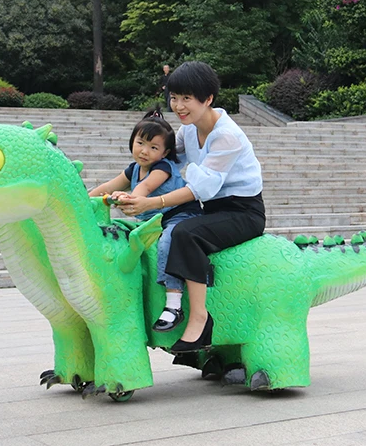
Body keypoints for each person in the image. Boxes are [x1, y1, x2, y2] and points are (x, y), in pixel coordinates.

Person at [118, 61, 265, 352]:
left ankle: (199, 318)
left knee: (185, 233)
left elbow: (200, 188)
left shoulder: (227, 136)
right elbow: (162, 162)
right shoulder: (187, 131)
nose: (179, 106)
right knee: (167, 227)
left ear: (208, 99)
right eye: (174, 98)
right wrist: (130, 190)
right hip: (210, 209)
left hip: (242, 212)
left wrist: (151, 201)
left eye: (187, 98)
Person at [88, 108, 201, 331]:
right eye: (140, 143)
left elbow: (146, 187)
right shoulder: (133, 169)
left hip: (180, 214)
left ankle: (174, 304)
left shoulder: (163, 167)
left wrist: (129, 197)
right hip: (153, 220)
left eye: (153, 148)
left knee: (170, 241)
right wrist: (83, 198)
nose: (144, 151)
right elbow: (108, 187)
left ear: (165, 152)